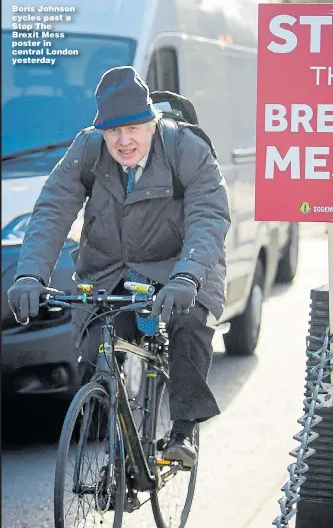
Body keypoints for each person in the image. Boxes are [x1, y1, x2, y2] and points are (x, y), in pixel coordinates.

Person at [7, 66, 231, 468]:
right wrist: (30, 273)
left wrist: (187, 274)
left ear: (152, 123)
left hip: (179, 267)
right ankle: (119, 435)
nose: (123, 141)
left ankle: (182, 429)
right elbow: (52, 210)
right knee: (96, 347)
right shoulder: (88, 149)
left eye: (133, 129)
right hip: (109, 269)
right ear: (101, 130)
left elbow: (209, 217)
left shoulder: (186, 149)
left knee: (190, 325)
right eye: (113, 131)